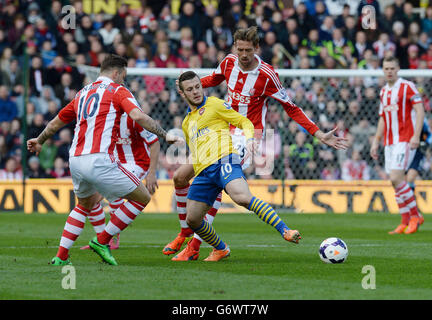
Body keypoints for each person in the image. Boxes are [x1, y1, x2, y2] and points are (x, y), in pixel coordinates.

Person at [164, 27, 349, 260]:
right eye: (239, 49)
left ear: (257, 48)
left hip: (247, 134)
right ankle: (185, 233)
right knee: (180, 176)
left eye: (248, 51)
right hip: (222, 130)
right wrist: (190, 85)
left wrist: (317, 132)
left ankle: (195, 247)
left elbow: (291, 107)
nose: (243, 55)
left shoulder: (267, 75)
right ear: (234, 47)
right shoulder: (229, 62)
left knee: (221, 179)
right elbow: (213, 79)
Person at [27, 54, 182, 266]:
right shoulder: (118, 90)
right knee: (142, 197)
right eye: (123, 76)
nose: (124, 80)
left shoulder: (82, 92)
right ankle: (102, 240)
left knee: (85, 205)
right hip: (100, 159)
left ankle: (61, 256)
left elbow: (55, 123)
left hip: (76, 159)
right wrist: (166, 135)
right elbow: (138, 116)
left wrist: (39, 140)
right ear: (117, 73)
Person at [176, 70, 301, 262]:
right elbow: (195, 150)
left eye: (198, 87)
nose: (195, 92)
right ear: (183, 94)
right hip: (203, 173)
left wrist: (250, 139)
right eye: (190, 89)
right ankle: (220, 249)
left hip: (225, 160)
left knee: (242, 197)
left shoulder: (215, 104)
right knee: (192, 219)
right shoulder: (186, 123)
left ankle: (285, 230)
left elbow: (243, 121)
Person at [80, 112, 160, 251]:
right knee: (90, 196)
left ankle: (111, 238)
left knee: (114, 188)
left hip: (137, 163)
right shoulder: (105, 119)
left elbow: (155, 143)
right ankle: (101, 240)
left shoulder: (135, 119)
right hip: (115, 164)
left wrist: (152, 173)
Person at [370, 56, 425, 235]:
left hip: (405, 139)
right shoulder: (383, 91)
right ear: (383, 70)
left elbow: (420, 110)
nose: (389, 71)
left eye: (392, 68)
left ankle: (416, 216)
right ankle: (404, 221)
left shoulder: (407, 86)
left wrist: (416, 136)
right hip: (389, 142)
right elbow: (382, 119)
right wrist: (376, 141)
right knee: (395, 183)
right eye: (386, 68)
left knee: (396, 178)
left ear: (398, 68)